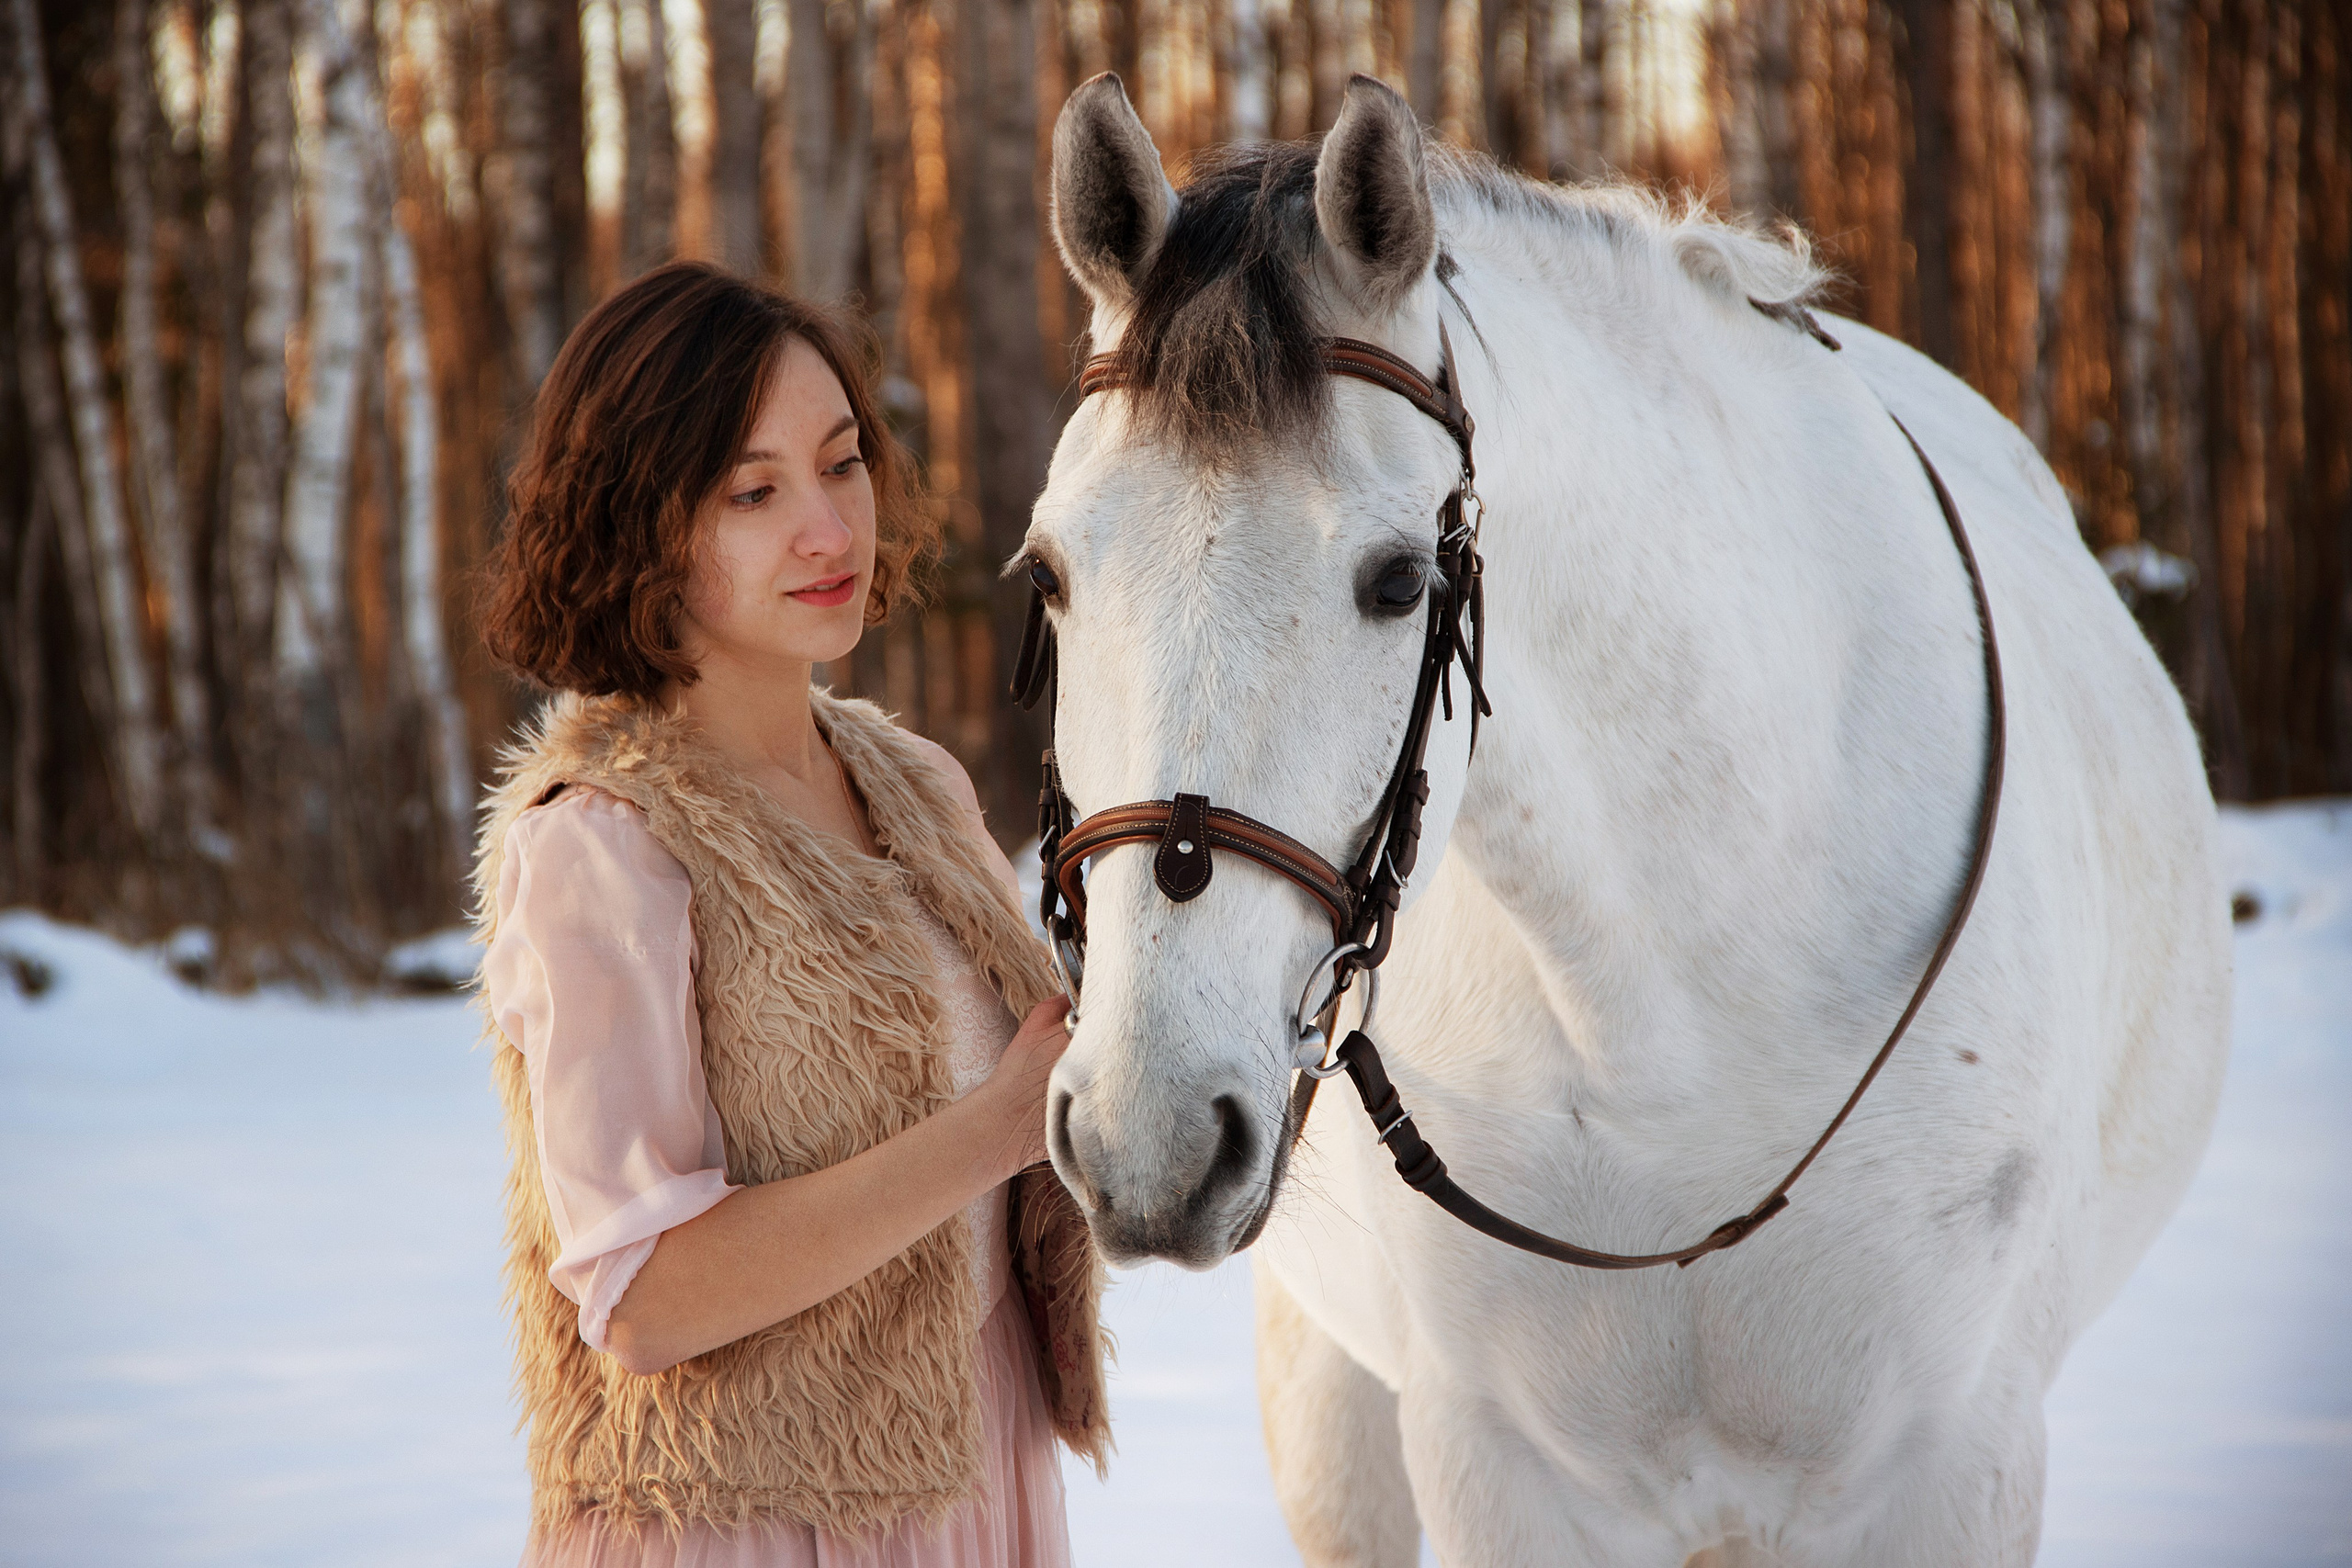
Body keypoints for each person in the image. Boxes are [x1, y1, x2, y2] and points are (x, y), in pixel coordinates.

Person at [470, 261, 1109, 1567]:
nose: (829, 529)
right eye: (753, 494)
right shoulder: (602, 844)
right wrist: (994, 1130)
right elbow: (645, 1298)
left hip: (977, 1475)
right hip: (748, 1520)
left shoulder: (912, 781)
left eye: (843, 465)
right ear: (635, 526)